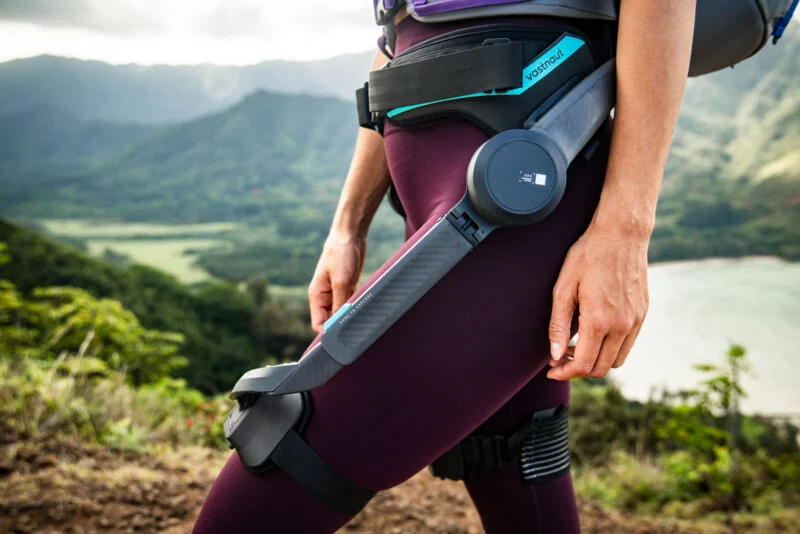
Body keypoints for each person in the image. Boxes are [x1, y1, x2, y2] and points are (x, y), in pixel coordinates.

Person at [194, 2, 696, 532]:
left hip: (529, 155)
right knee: (510, 457)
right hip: (438, 164)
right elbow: (396, 28)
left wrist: (625, 228)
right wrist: (348, 224)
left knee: (288, 453)